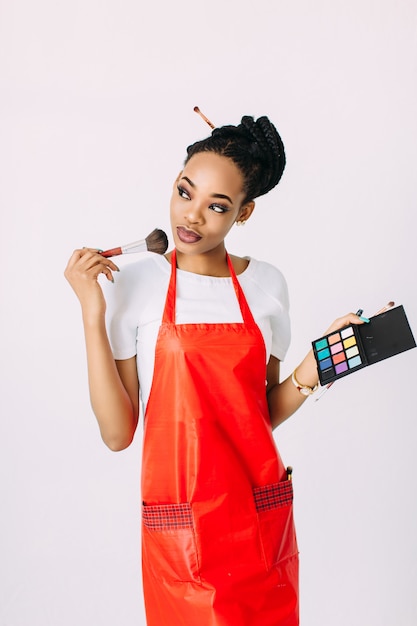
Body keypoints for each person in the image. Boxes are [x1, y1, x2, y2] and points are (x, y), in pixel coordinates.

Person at [65, 114, 367, 625]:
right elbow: (118, 434)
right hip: (181, 532)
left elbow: (255, 417)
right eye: (185, 192)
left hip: (258, 521)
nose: (191, 216)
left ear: (243, 213)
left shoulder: (267, 286)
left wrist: (318, 366)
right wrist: (91, 312)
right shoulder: (135, 285)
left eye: (217, 206)